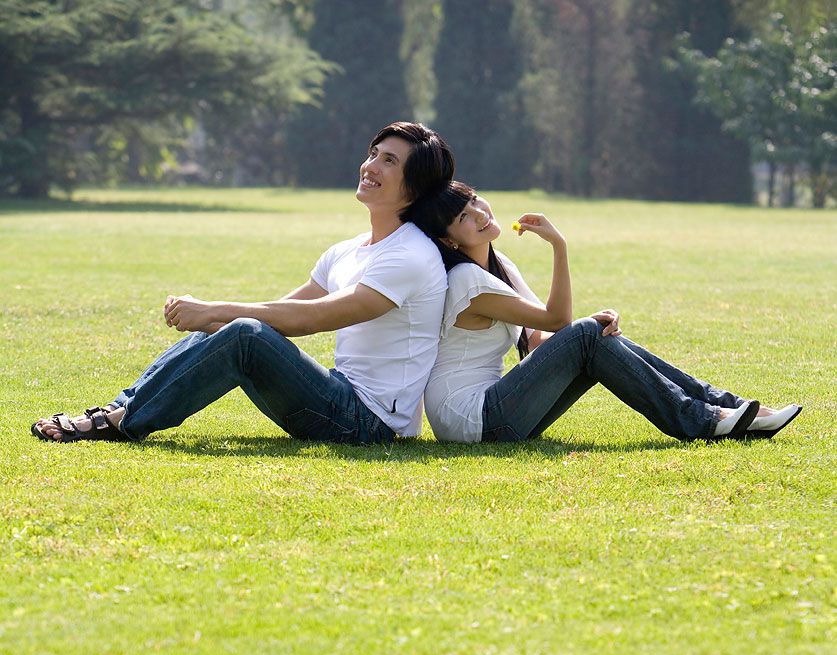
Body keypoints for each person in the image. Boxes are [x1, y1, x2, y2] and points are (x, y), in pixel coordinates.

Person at [31, 122, 455, 447]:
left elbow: (315, 318)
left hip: (368, 421)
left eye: (389, 162)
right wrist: (213, 321)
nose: (371, 166)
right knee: (237, 329)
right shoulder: (349, 250)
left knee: (241, 330)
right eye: (374, 154)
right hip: (340, 394)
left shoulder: (411, 255)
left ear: (415, 187)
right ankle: (120, 408)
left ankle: (122, 422)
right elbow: (279, 312)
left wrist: (215, 310)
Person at [403, 182, 802, 445]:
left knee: (596, 336)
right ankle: (708, 419)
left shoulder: (499, 264)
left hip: (489, 414)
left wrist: (587, 328)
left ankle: (727, 409)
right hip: (470, 419)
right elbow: (558, 322)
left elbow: (539, 339)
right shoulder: (467, 280)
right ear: (448, 239)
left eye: (474, 201)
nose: (479, 214)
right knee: (585, 335)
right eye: (463, 218)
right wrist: (558, 246)